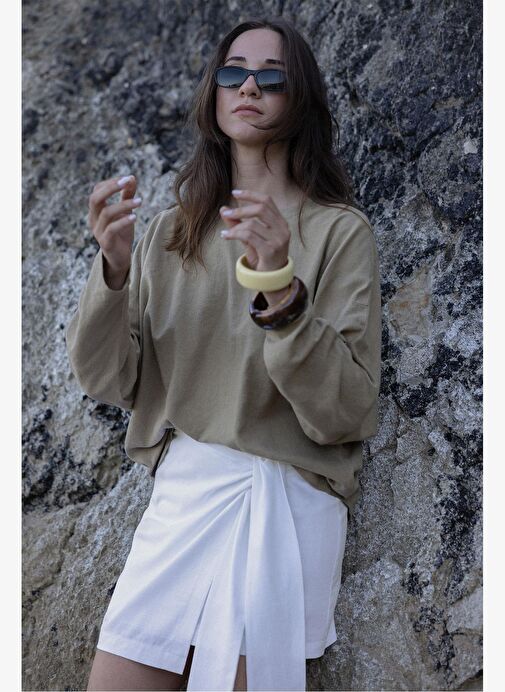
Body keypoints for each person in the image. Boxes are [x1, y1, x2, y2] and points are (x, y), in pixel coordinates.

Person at [66, 16, 382, 692]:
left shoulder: (337, 233)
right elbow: (108, 378)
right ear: (213, 91)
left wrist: (281, 291)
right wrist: (113, 269)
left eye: (272, 77)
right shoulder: (167, 235)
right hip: (185, 493)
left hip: (285, 499)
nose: (249, 87)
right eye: (233, 72)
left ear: (300, 97)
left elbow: (345, 412)